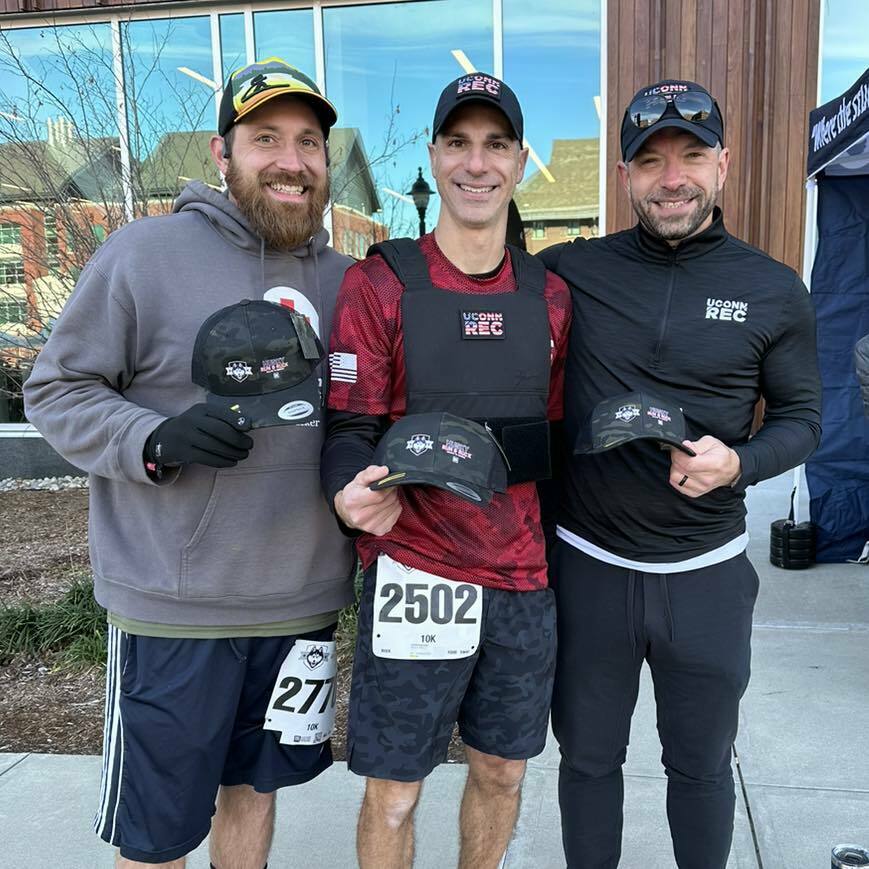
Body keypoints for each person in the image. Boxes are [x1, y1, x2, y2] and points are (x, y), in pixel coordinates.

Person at [23, 58, 355, 868]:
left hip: (300, 603)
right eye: (265, 137)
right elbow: (56, 390)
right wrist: (153, 438)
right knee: (158, 833)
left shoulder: (350, 280)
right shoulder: (143, 255)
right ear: (221, 152)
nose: (290, 158)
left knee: (254, 794)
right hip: (176, 608)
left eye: (308, 141)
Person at [539, 79, 822, 869]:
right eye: (650, 160)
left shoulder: (773, 289)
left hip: (704, 577)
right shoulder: (569, 271)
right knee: (587, 764)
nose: (672, 178)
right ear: (624, 176)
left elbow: (803, 419)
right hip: (588, 567)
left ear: (722, 165)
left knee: (698, 767)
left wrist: (739, 462)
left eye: (691, 156)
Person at [321, 73, 571, 869]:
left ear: (520, 161)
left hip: (521, 578)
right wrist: (349, 489)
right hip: (416, 569)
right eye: (457, 143)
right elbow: (349, 424)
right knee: (394, 789)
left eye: (494, 144)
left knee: (502, 770)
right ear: (433, 156)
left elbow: (555, 436)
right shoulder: (382, 281)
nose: (476, 163)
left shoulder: (552, 296)